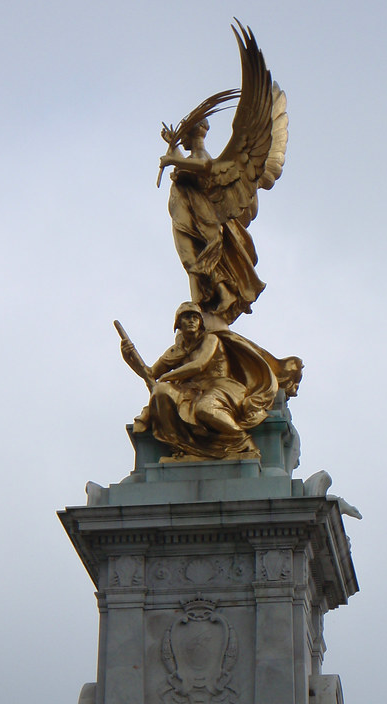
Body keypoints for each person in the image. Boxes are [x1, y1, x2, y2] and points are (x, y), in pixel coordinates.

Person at [121, 302, 302, 460]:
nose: (191, 320)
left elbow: (199, 365)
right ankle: (181, 446)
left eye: (194, 317)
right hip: (193, 390)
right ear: (178, 324)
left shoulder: (210, 338)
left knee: (205, 409)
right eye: (186, 317)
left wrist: (167, 377)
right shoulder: (177, 349)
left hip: (222, 387)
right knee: (160, 392)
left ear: (200, 322)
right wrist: (129, 358)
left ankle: (243, 441)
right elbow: (150, 373)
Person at [160, 119, 265, 324]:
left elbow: (204, 167)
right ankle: (211, 298)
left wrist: (174, 161)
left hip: (204, 218)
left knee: (199, 262)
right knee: (193, 262)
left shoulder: (203, 156)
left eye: (183, 138)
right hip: (191, 216)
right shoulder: (192, 157)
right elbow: (189, 167)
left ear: (191, 135)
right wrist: (172, 148)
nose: (182, 142)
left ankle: (217, 297)